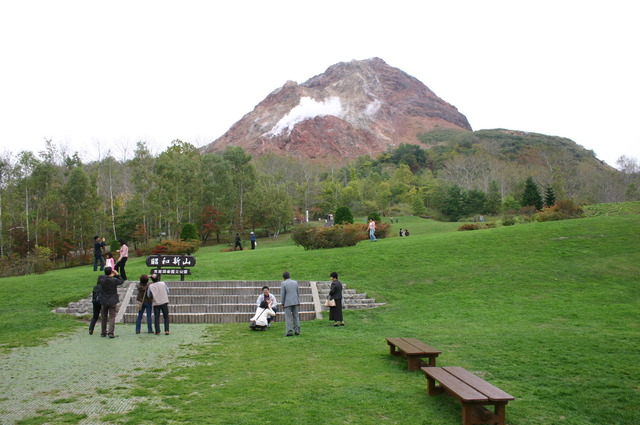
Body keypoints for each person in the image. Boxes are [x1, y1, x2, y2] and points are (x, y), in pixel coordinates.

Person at [98, 266, 124, 338]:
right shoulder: (114, 280)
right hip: (112, 300)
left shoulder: (102, 280)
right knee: (112, 316)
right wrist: (117, 274)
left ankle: (103, 332)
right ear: (111, 272)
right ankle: (111, 332)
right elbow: (121, 281)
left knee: (104, 316)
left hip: (104, 300)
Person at [280, 271, 300, 336]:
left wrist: (282, 303)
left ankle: (289, 331)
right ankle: (297, 330)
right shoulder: (295, 282)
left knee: (288, 317)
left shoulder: (283, 283)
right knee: (296, 316)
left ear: (283, 277)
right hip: (295, 301)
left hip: (287, 302)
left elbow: (283, 294)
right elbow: (297, 292)